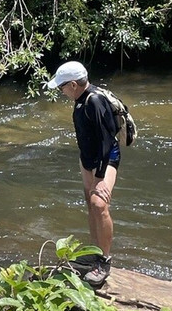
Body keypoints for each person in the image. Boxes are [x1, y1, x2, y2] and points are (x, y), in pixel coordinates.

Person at [46, 61, 119, 288]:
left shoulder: (95, 101)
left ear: (74, 85)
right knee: (90, 202)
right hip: (87, 160)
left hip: (105, 159)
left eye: (62, 88)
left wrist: (99, 176)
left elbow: (107, 141)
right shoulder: (80, 100)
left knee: (99, 204)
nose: (61, 92)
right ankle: (95, 252)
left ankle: (104, 262)